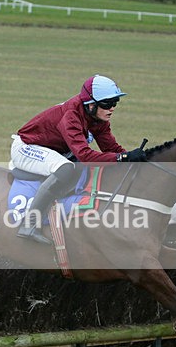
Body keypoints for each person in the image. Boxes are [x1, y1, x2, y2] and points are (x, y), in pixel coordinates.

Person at [10, 74, 146, 244]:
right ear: (90, 105)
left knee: (80, 168)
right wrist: (123, 157)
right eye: (107, 104)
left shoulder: (98, 118)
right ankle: (29, 224)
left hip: (55, 149)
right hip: (26, 147)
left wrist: (134, 158)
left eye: (115, 103)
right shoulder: (71, 116)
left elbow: (111, 149)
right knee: (66, 169)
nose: (112, 108)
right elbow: (86, 156)